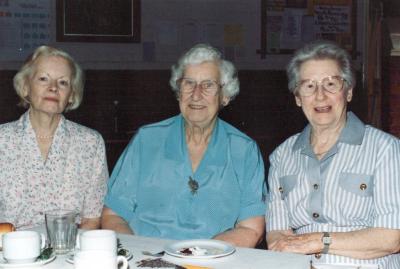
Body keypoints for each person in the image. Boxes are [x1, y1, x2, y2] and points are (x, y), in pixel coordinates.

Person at [101, 44, 266, 247]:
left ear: (225, 96)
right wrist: (137, 254)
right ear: (179, 91)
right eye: (189, 83)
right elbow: (113, 216)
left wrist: (198, 256)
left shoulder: (244, 150)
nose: (196, 94)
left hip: (211, 262)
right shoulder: (147, 139)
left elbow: (251, 229)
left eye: (208, 85)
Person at [266, 40, 400, 268]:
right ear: (298, 97)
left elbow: (391, 238)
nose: (320, 96)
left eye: (331, 84)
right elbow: (277, 234)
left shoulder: (385, 149)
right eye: (309, 86)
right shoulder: (281, 156)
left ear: (348, 92)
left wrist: (319, 241)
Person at [0, 46, 108, 230]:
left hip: (69, 252)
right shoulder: (3, 140)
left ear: (71, 95)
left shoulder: (91, 143)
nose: (53, 88)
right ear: (25, 87)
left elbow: (91, 219)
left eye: (63, 82)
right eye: (43, 79)